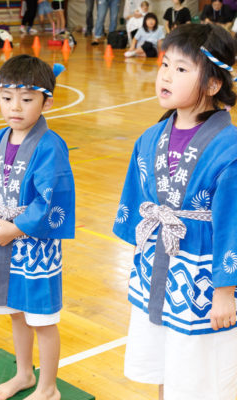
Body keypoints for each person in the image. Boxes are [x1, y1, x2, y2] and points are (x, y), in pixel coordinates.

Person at [114, 23, 237, 400]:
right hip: (156, 266)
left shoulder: (229, 149)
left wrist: (225, 291)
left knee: (197, 372)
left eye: (181, 69)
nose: (166, 75)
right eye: (165, 64)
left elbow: (232, 224)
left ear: (213, 84)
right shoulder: (150, 137)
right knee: (164, 361)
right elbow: (136, 199)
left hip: (201, 279)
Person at [0, 55, 75, 400]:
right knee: (16, 313)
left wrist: (17, 228)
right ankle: (24, 373)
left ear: (46, 102)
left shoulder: (49, 145)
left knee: (42, 319)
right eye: (7, 97)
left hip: (34, 245)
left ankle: (48, 387)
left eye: (26, 99)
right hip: (2, 241)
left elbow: (51, 199)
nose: (15, 107)